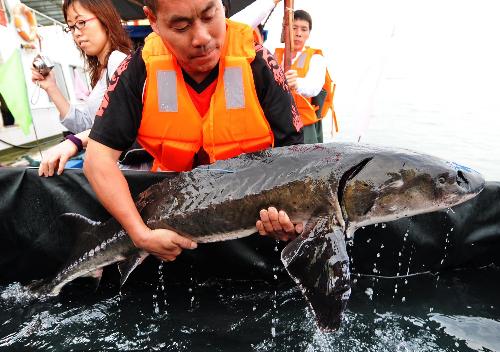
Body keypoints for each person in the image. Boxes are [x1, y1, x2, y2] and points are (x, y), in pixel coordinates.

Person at [83, 0, 304, 262]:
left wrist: (292, 223)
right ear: (153, 20)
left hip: (249, 225)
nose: (201, 38)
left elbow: (297, 164)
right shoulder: (138, 69)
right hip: (167, 223)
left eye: (210, 16)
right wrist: (140, 234)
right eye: (181, 26)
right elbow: (97, 161)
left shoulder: (259, 65)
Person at [36, 0, 132, 176]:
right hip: (110, 174)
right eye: (71, 27)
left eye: (81, 23)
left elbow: (120, 123)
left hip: (125, 174)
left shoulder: (118, 61)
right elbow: (86, 125)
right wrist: (51, 88)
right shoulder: (102, 71)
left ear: (105, 20)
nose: (77, 34)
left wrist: (73, 142)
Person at [275, 9, 333, 144]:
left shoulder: (316, 58)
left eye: (304, 29)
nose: (298, 34)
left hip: (304, 125)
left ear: (308, 33)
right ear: (286, 30)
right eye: (294, 28)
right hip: (277, 124)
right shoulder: (274, 56)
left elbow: (314, 87)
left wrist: (297, 84)